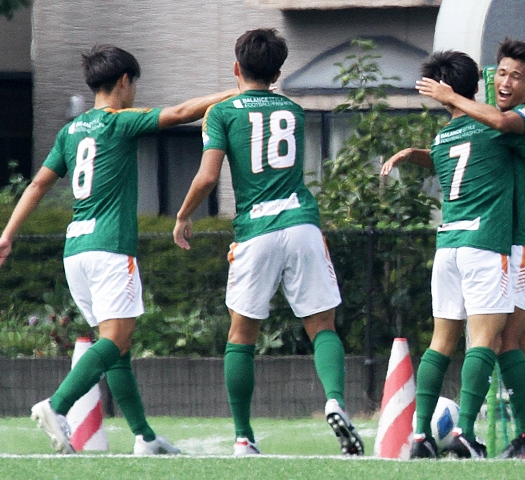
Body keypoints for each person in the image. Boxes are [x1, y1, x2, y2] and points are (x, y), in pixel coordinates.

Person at [0, 44, 238, 455]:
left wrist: (7, 234)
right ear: (124, 82)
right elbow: (182, 113)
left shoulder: (70, 131)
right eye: (134, 85)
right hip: (110, 248)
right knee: (117, 339)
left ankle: (145, 438)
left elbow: (38, 184)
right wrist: (233, 94)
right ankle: (56, 405)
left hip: (76, 249)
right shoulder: (118, 122)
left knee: (117, 349)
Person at [381, 50, 525, 460]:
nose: (506, 82)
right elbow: (485, 141)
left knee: (504, 340)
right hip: (491, 242)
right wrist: (419, 151)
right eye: (502, 73)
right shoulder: (485, 129)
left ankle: (516, 435)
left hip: (518, 242)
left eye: (517, 76)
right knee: (501, 342)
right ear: (485, 79)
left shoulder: (524, 116)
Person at [172, 28, 364, 457]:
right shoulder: (293, 110)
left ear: (236, 68)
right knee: (322, 326)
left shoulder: (222, 113)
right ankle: (335, 399)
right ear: (278, 71)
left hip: (255, 231)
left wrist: (184, 215)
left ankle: (243, 437)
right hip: (301, 224)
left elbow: (207, 177)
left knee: (241, 335)